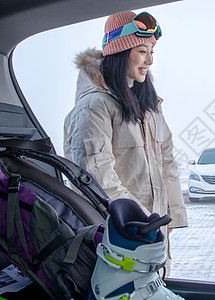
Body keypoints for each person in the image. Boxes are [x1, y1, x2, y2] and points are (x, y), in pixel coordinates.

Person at [63, 11, 188, 275]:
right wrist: (143, 223)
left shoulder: (150, 105)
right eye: (142, 50)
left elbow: (167, 164)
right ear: (120, 51)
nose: (150, 60)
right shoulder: (93, 107)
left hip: (153, 236)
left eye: (152, 51)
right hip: (121, 237)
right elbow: (97, 179)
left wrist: (171, 219)